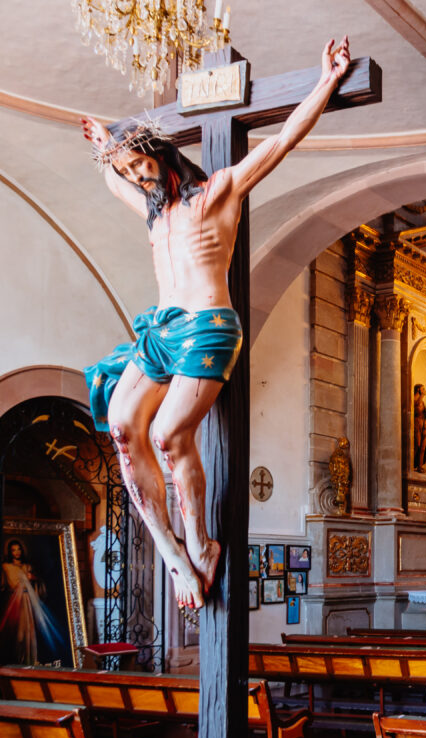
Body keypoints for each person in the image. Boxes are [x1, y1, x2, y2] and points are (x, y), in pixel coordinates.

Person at [80, 37, 354, 611]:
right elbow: (112, 181)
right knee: (123, 432)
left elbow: (280, 143)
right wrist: (108, 149)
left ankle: (201, 544)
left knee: (167, 435)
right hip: (162, 330)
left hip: (207, 327)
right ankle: (174, 552)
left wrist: (327, 82)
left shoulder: (218, 193)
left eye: (141, 165)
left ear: (163, 154)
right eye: (131, 171)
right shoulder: (153, 213)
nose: (137, 178)